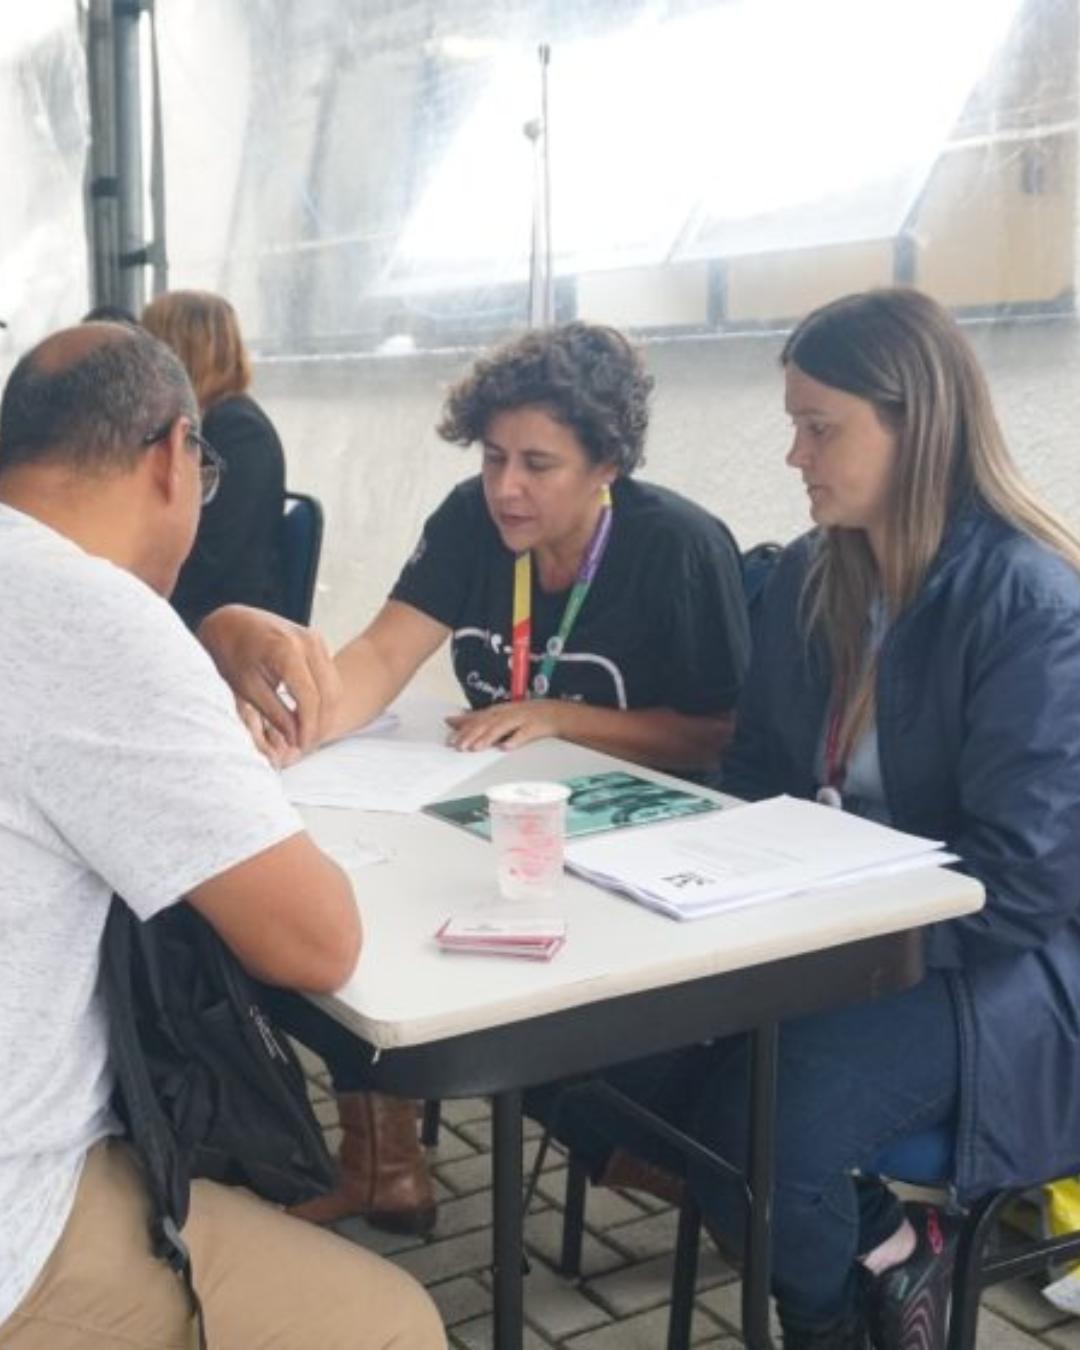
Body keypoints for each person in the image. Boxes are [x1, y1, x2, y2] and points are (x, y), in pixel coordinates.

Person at [552, 287, 1080, 1350]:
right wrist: (694, 881)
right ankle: (890, 1254)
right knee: (580, 1053)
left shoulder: (1030, 603)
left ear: (916, 424)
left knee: (764, 1131)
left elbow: (1026, 882)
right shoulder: (811, 574)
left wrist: (829, 947)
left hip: (987, 966)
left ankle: (835, 1325)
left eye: (819, 426)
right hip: (823, 928)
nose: (796, 454)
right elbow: (755, 778)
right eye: (795, 423)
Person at [196, 320, 752, 1234]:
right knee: (348, 891)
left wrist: (566, 718)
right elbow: (382, 653)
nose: (506, 488)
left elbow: (715, 737)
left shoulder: (678, 549)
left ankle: (633, 1144)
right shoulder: (468, 520)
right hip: (499, 835)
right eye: (494, 457)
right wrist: (297, 730)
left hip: (635, 855)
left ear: (607, 462)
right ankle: (387, 1162)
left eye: (539, 463)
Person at [0, 322, 444, 1350]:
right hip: (22, 1218)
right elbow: (315, 940)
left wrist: (196, 645)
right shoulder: (82, 613)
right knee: (394, 1325)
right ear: (172, 459)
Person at [142, 289, 287, 628]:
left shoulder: (239, 432)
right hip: (187, 605)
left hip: (222, 620)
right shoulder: (200, 422)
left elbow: (208, 560)